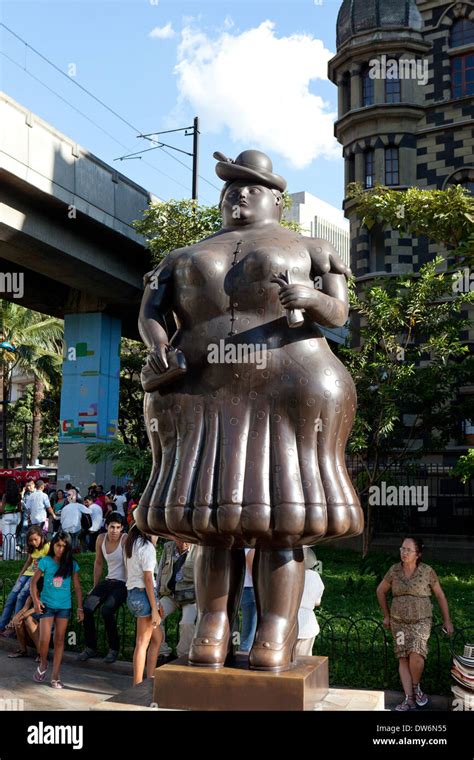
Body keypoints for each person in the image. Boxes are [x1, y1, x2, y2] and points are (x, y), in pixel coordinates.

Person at [135, 149, 363, 672]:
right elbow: (150, 314)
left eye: (252, 187)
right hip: (203, 389)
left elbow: (338, 311)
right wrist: (156, 345)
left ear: (276, 201)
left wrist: (309, 295)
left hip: (289, 384)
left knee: (282, 518)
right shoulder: (182, 255)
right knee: (213, 520)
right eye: (231, 187)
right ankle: (213, 627)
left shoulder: (311, 247)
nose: (238, 194)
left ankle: (275, 631)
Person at [376, 536, 454, 711]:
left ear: (417, 554)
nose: (403, 552)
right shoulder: (394, 570)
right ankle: (409, 698)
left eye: (408, 550)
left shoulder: (427, 571)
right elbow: (380, 591)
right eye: (402, 548)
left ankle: (415, 686)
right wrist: (387, 616)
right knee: (403, 657)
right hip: (399, 624)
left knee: (417, 653)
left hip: (421, 621)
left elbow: (440, 596)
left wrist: (447, 620)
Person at [30, 531, 83, 687]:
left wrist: (80, 608)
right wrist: (35, 601)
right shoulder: (45, 561)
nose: (60, 549)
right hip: (47, 605)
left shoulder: (72, 564)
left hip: (64, 608)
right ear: (53, 545)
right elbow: (33, 583)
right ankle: (44, 664)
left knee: (59, 640)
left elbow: (78, 588)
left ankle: (55, 676)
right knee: (44, 640)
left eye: (63, 546)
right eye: (58, 545)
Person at [78, 512, 127, 664]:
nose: (114, 531)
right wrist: (94, 587)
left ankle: (113, 649)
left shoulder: (125, 539)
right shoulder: (101, 539)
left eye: (118, 527)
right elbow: (98, 563)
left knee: (107, 611)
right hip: (108, 581)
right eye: (112, 527)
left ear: (122, 528)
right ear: (106, 526)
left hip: (123, 583)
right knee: (87, 608)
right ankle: (90, 647)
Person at [124, 524, 162, 686]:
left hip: (133, 594)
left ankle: (150, 678)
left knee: (157, 639)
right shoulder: (147, 548)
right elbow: (148, 579)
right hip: (144, 596)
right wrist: (154, 608)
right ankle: (137, 685)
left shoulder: (131, 544)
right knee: (142, 643)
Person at [0, 526, 50, 633]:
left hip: (37, 576)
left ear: (41, 536)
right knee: (11, 597)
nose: (33, 542)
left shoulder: (47, 547)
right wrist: (20, 575)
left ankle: (14, 626)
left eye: (35, 539)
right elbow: (28, 562)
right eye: (31, 540)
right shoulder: (33, 548)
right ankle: (2, 624)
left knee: (21, 596)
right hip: (27, 574)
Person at [156, 539, 197, 660]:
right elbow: (160, 571)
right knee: (155, 617)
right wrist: (157, 596)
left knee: (187, 623)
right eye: (180, 539)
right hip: (170, 594)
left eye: (186, 539)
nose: (184, 543)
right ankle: (162, 652)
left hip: (190, 597)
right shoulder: (168, 548)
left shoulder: (198, 549)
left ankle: (183, 655)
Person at [295, 547, 324, 657]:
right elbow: (317, 602)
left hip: (288, 624)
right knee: (304, 663)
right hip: (307, 624)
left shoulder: (287, 574)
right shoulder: (315, 576)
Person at [238, 548, 257, 653]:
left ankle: (244, 652)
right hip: (251, 590)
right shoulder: (250, 550)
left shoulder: (242, 549)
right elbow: (254, 573)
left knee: (248, 627)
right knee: (251, 629)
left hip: (246, 590)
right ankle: (244, 654)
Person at [0, 478, 22, 560]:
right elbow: (20, 509)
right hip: (15, 516)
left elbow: (2, 509)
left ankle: (6, 557)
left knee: (6, 537)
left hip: (6, 516)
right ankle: (12, 556)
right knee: (13, 537)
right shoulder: (18, 495)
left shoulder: (5, 495)